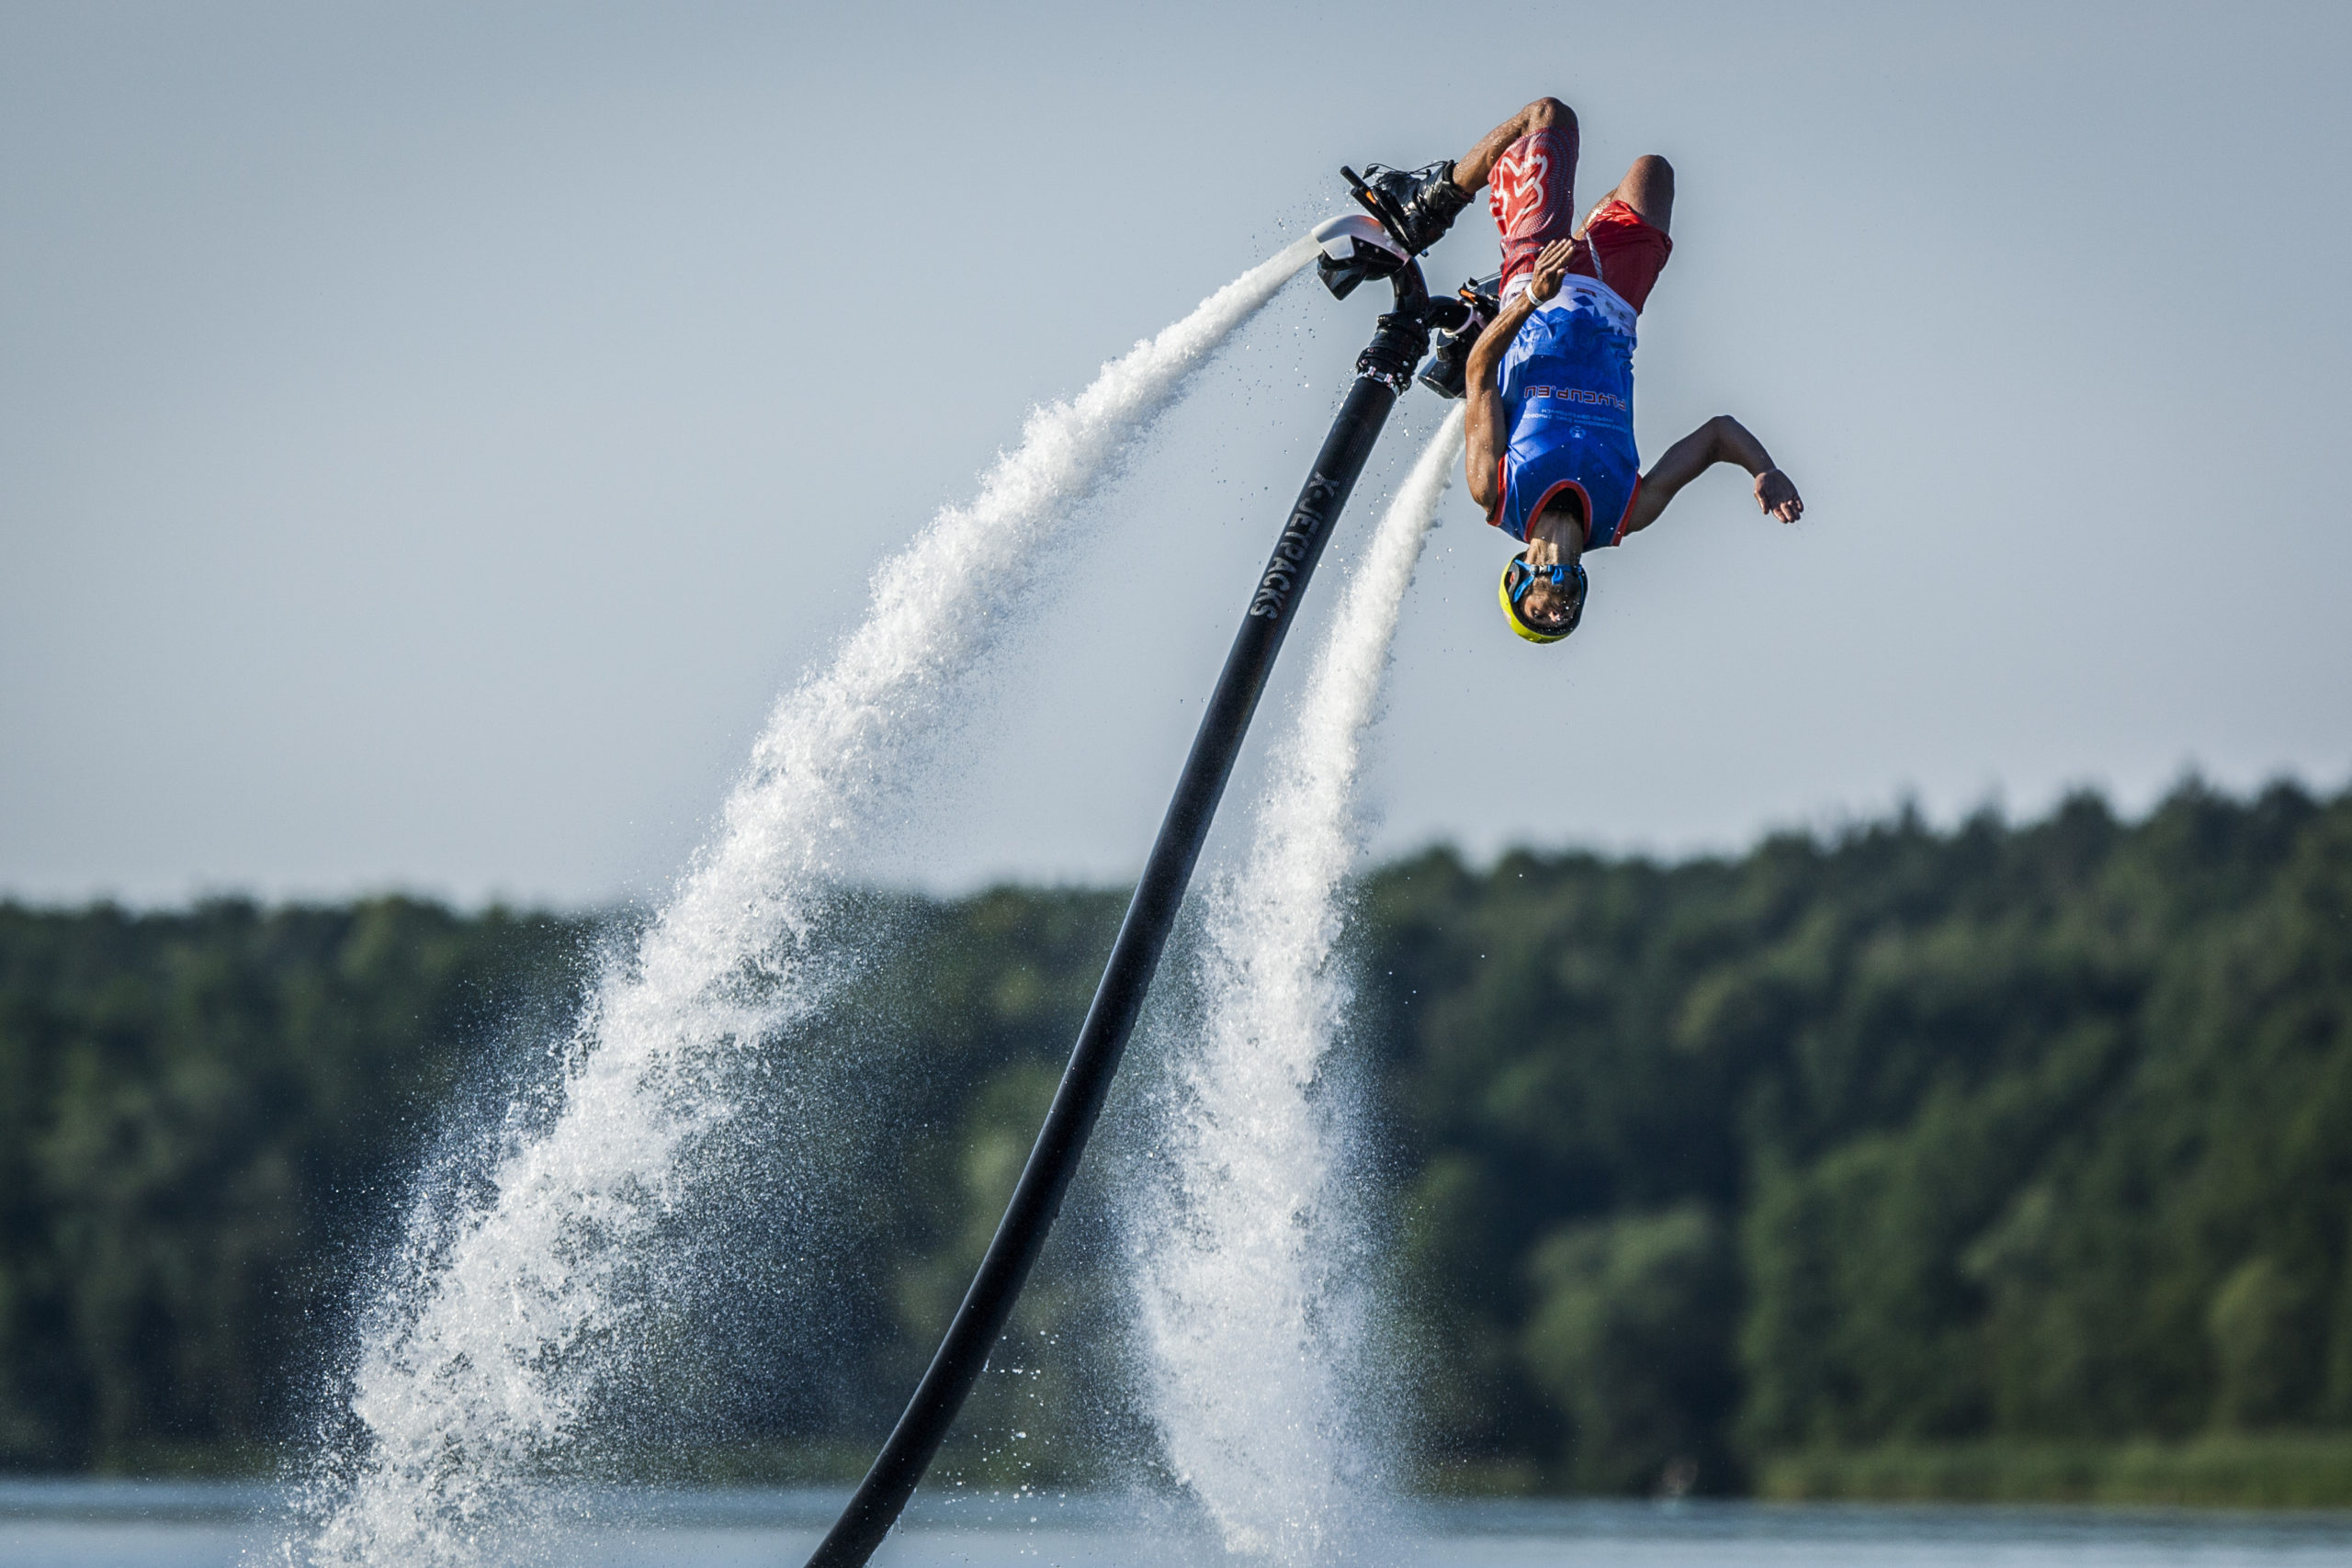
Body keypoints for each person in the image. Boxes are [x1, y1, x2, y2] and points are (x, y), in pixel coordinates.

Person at [1356, 98, 1804, 644]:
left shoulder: (1496, 491)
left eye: (1537, 615)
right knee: (1654, 172)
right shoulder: (1626, 513)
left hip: (1532, 277)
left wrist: (1529, 299)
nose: (1556, 612)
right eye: (1562, 621)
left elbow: (1478, 371)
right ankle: (1593, 226)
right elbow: (1715, 436)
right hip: (1616, 297)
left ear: (1517, 580)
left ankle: (1432, 199)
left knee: (1551, 114)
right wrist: (1762, 468)